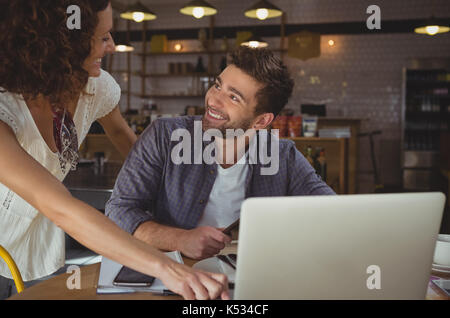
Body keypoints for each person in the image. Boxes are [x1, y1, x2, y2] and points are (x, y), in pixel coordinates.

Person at [0, 0, 228, 300]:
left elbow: (121, 133)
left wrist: (164, 193)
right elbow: (60, 208)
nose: (113, 46)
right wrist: (167, 269)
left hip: (37, 243)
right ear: (62, 44)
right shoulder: (4, 105)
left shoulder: (94, 87)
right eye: (103, 37)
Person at [105, 46, 336, 261]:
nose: (213, 100)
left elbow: (334, 214)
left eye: (233, 97)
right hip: (174, 272)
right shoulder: (163, 136)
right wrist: (180, 239)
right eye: (217, 85)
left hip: (253, 276)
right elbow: (119, 210)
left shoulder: (284, 156)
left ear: (261, 120)